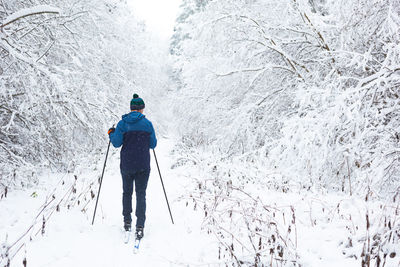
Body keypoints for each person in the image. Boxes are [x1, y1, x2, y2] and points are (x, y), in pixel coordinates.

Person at [107, 93, 157, 240]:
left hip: (127, 164)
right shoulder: (147, 124)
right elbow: (153, 144)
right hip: (143, 165)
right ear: (141, 109)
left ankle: (127, 221)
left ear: (131, 108)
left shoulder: (122, 124)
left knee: (127, 193)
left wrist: (111, 133)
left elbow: (116, 143)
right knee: (141, 194)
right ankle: (140, 225)